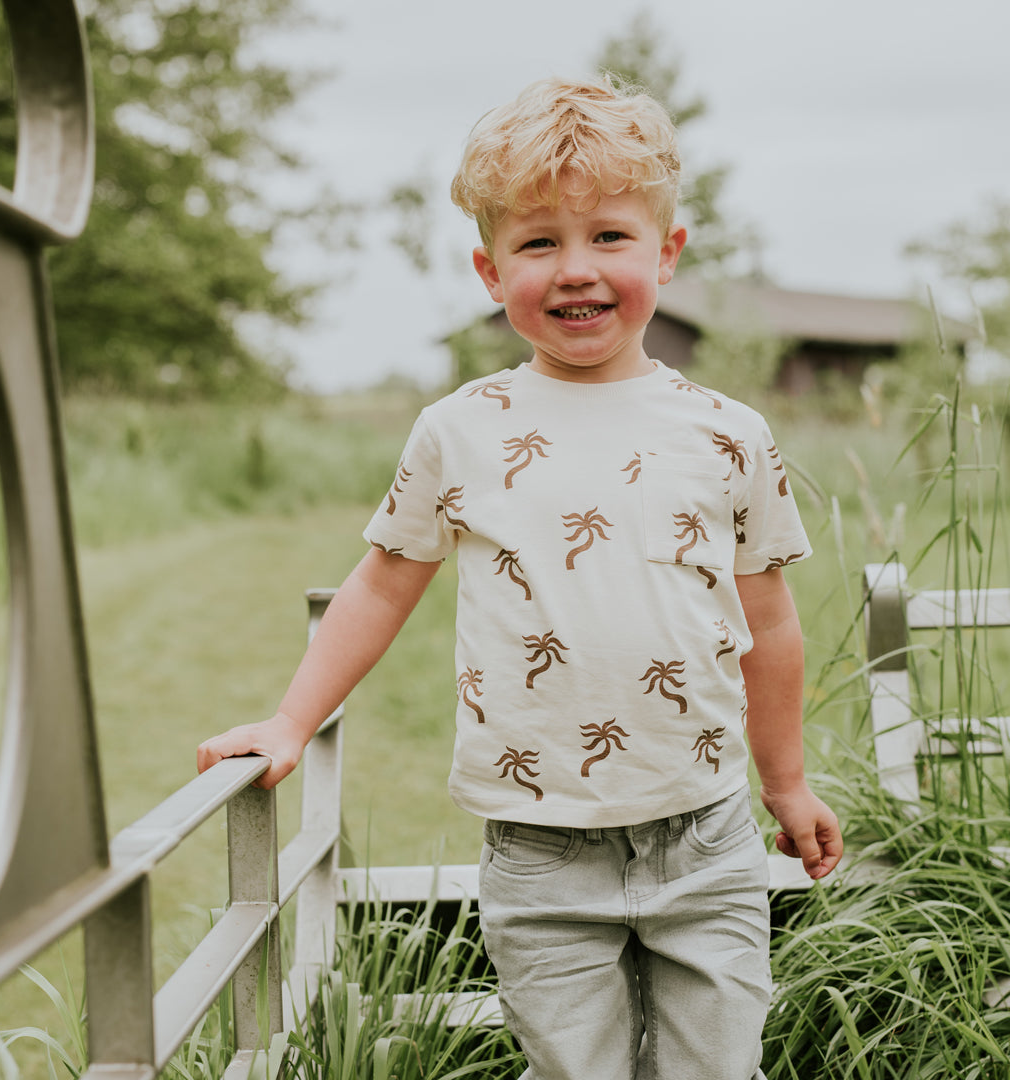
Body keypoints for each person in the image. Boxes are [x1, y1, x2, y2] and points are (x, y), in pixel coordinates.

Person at [198, 74, 843, 1080]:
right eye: (539, 243)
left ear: (667, 254)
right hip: (541, 846)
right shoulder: (460, 431)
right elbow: (380, 585)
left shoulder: (728, 434)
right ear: (490, 270)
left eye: (610, 238)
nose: (575, 270)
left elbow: (769, 617)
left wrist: (787, 781)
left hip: (705, 832)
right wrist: (289, 723)